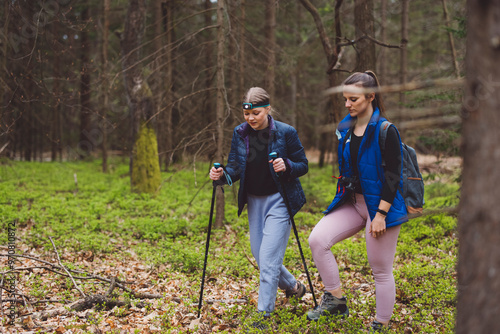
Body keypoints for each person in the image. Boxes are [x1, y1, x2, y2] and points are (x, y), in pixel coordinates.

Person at [306, 71, 408, 332]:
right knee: (317, 240)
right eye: (345, 99)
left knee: (380, 269)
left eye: (353, 99)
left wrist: (381, 215)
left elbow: (394, 176)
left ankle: (381, 323)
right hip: (353, 202)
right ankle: (336, 300)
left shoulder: (386, 130)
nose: (347, 104)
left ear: (371, 96)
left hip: (382, 208)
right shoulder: (345, 128)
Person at [209, 87, 309, 329]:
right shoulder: (240, 133)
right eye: (247, 114)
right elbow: (235, 167)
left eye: (256, 113)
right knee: (260, 254)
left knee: (268, 258)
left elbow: (303, 165)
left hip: (280, 200)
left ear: (267, 109)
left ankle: (263, 315)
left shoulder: (285, 132)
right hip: (254, 200)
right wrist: (221, 175)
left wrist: (286, 165)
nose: (251, 119)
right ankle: (294, 287)